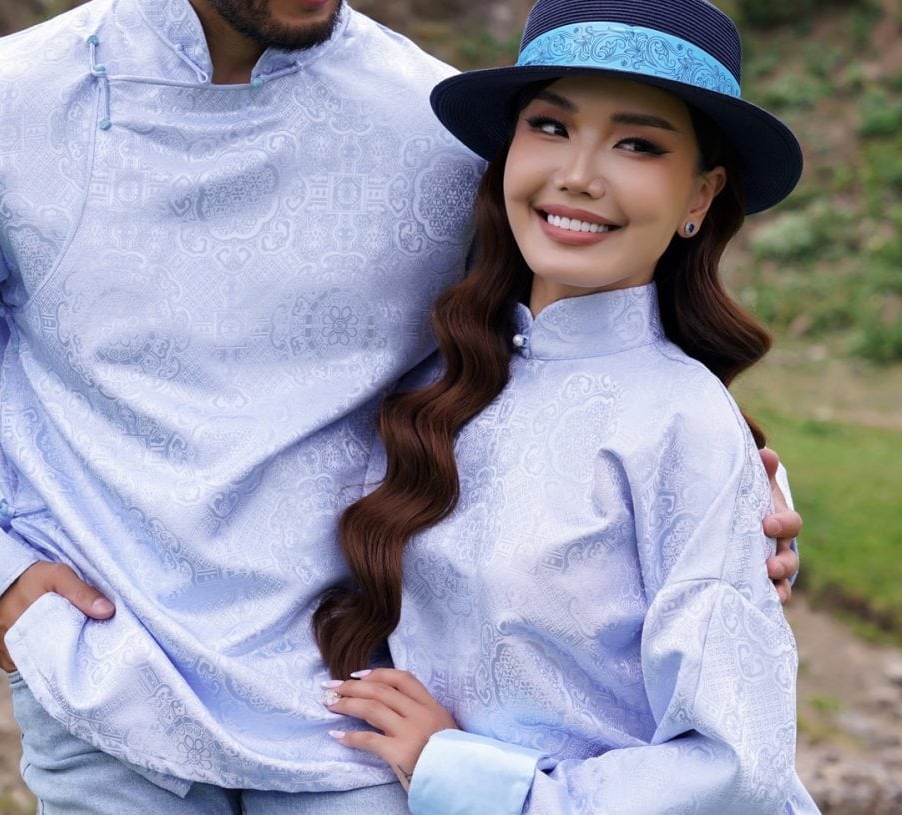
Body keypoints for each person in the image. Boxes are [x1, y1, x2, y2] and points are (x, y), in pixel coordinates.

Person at [0, 0, 800, 811]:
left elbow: (566, 336)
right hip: (108, 702)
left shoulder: (425, 117)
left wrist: (740, 510)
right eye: (558, 129)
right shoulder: (8, 101)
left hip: (362, 732)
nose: (578, 158)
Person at [314, 0, 821, 812]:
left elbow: (734, 765)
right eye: (550, 126)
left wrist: (458, 771)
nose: (578, 173)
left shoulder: (686, 426)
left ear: (701, 194)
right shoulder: (436, 383)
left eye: (639, 143)